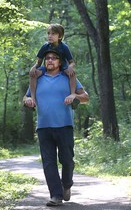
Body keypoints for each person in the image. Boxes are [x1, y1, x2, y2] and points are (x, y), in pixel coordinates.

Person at [23, 48, 89, 206]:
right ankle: (56, 195)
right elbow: (27, 96)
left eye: (54, 58)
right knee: (48, 162)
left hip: (64, 126)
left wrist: (74, 96)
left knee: (67, 160)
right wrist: (26, 100)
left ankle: (66, 184)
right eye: (48, 58)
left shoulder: (68, 77)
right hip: (43, 127)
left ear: (60, 62)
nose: (50, 60)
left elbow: (85, 97)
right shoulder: (37, 78)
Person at [29, 23, 79, 109]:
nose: (50, 36)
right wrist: (34, 67)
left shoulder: (64, 47)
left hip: (62, 67)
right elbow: (39, 62)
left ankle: (72, 95)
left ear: (60, 36)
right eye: (48, 33)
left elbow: (72, 62)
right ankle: (33, 98)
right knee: (33, 74)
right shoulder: (45, 46)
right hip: (48, 67)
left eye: (53, 34)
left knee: (72, 74)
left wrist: (70, 67)